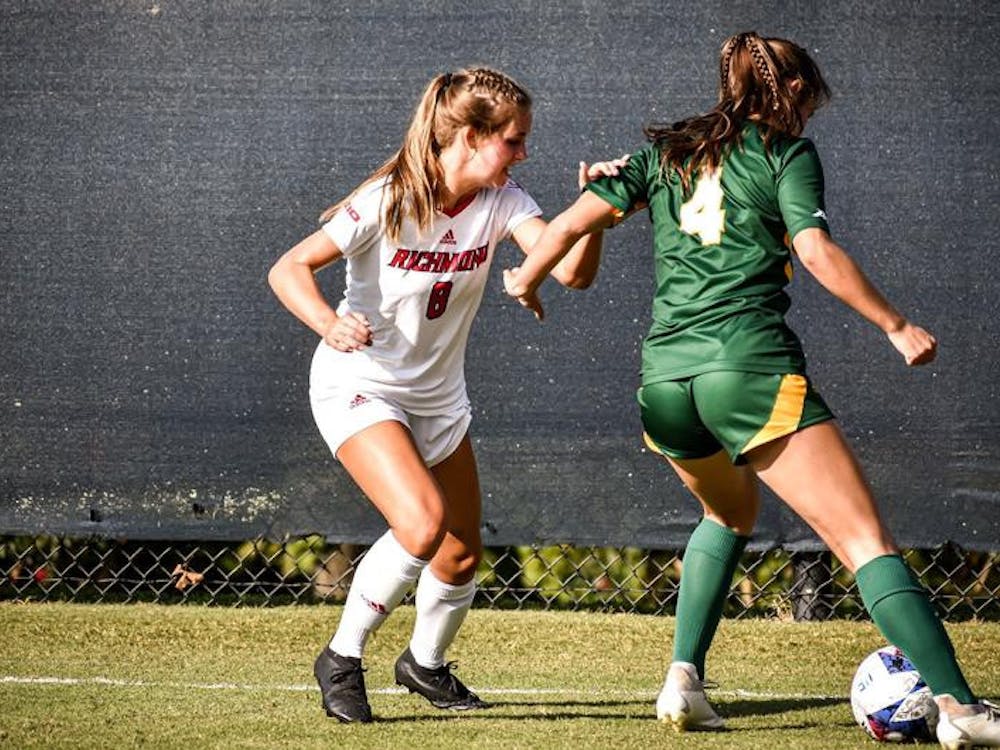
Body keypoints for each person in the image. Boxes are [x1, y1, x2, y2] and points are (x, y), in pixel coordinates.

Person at [503, 32, 999, 749]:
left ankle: (682, 680)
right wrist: (896, 325)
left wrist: (525, 278)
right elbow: (814, 250)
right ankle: (960, 707)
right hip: (748, 370)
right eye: (811, 101)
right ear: (792, 91)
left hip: (666, 382)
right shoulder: (786, 154)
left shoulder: (663, 152)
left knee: (729, 512)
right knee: (864, 542)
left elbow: (576, 218)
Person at [268, 66, 622, 724]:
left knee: (459, 553)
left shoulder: (502, 200)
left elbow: (572, 272)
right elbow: (287, 268)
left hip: (437, 397)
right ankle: (342, 658)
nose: (523, 152)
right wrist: (327, 321)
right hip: (359, 384)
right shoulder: (389, 197)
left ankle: (424, 666)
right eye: (513, 140)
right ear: (470, 136)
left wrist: (593, 214)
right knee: (422, 525)